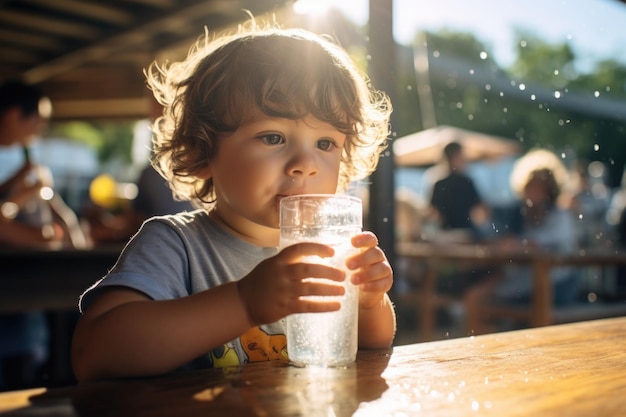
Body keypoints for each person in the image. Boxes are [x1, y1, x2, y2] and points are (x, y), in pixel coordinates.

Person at [71, 21, 396, 382]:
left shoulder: (327, 250)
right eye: (273, 137)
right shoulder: (177, 245)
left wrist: (369, 303)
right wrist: (244, 301)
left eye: (325, 143)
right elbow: (96, 352)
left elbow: (371, 346)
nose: (305, 164)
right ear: (202, 151)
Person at [464, 149, 579, 334]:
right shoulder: (523, 216)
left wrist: (508, 245)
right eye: (529, 185)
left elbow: (527, 246)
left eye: (537, 186)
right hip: (528, 280)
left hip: (554, 286)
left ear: (549, 190)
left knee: (478, 298)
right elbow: (506, 242)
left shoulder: (560, 217)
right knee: (476, 296)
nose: (531, 191)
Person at [428, 141, 490, 241]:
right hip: (466, 234)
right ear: (455, 157)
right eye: (462, 156)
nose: (464, 160)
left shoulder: (439, 184)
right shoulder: (467, 182)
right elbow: (481, 210)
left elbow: (433, 212)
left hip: (445, 235)